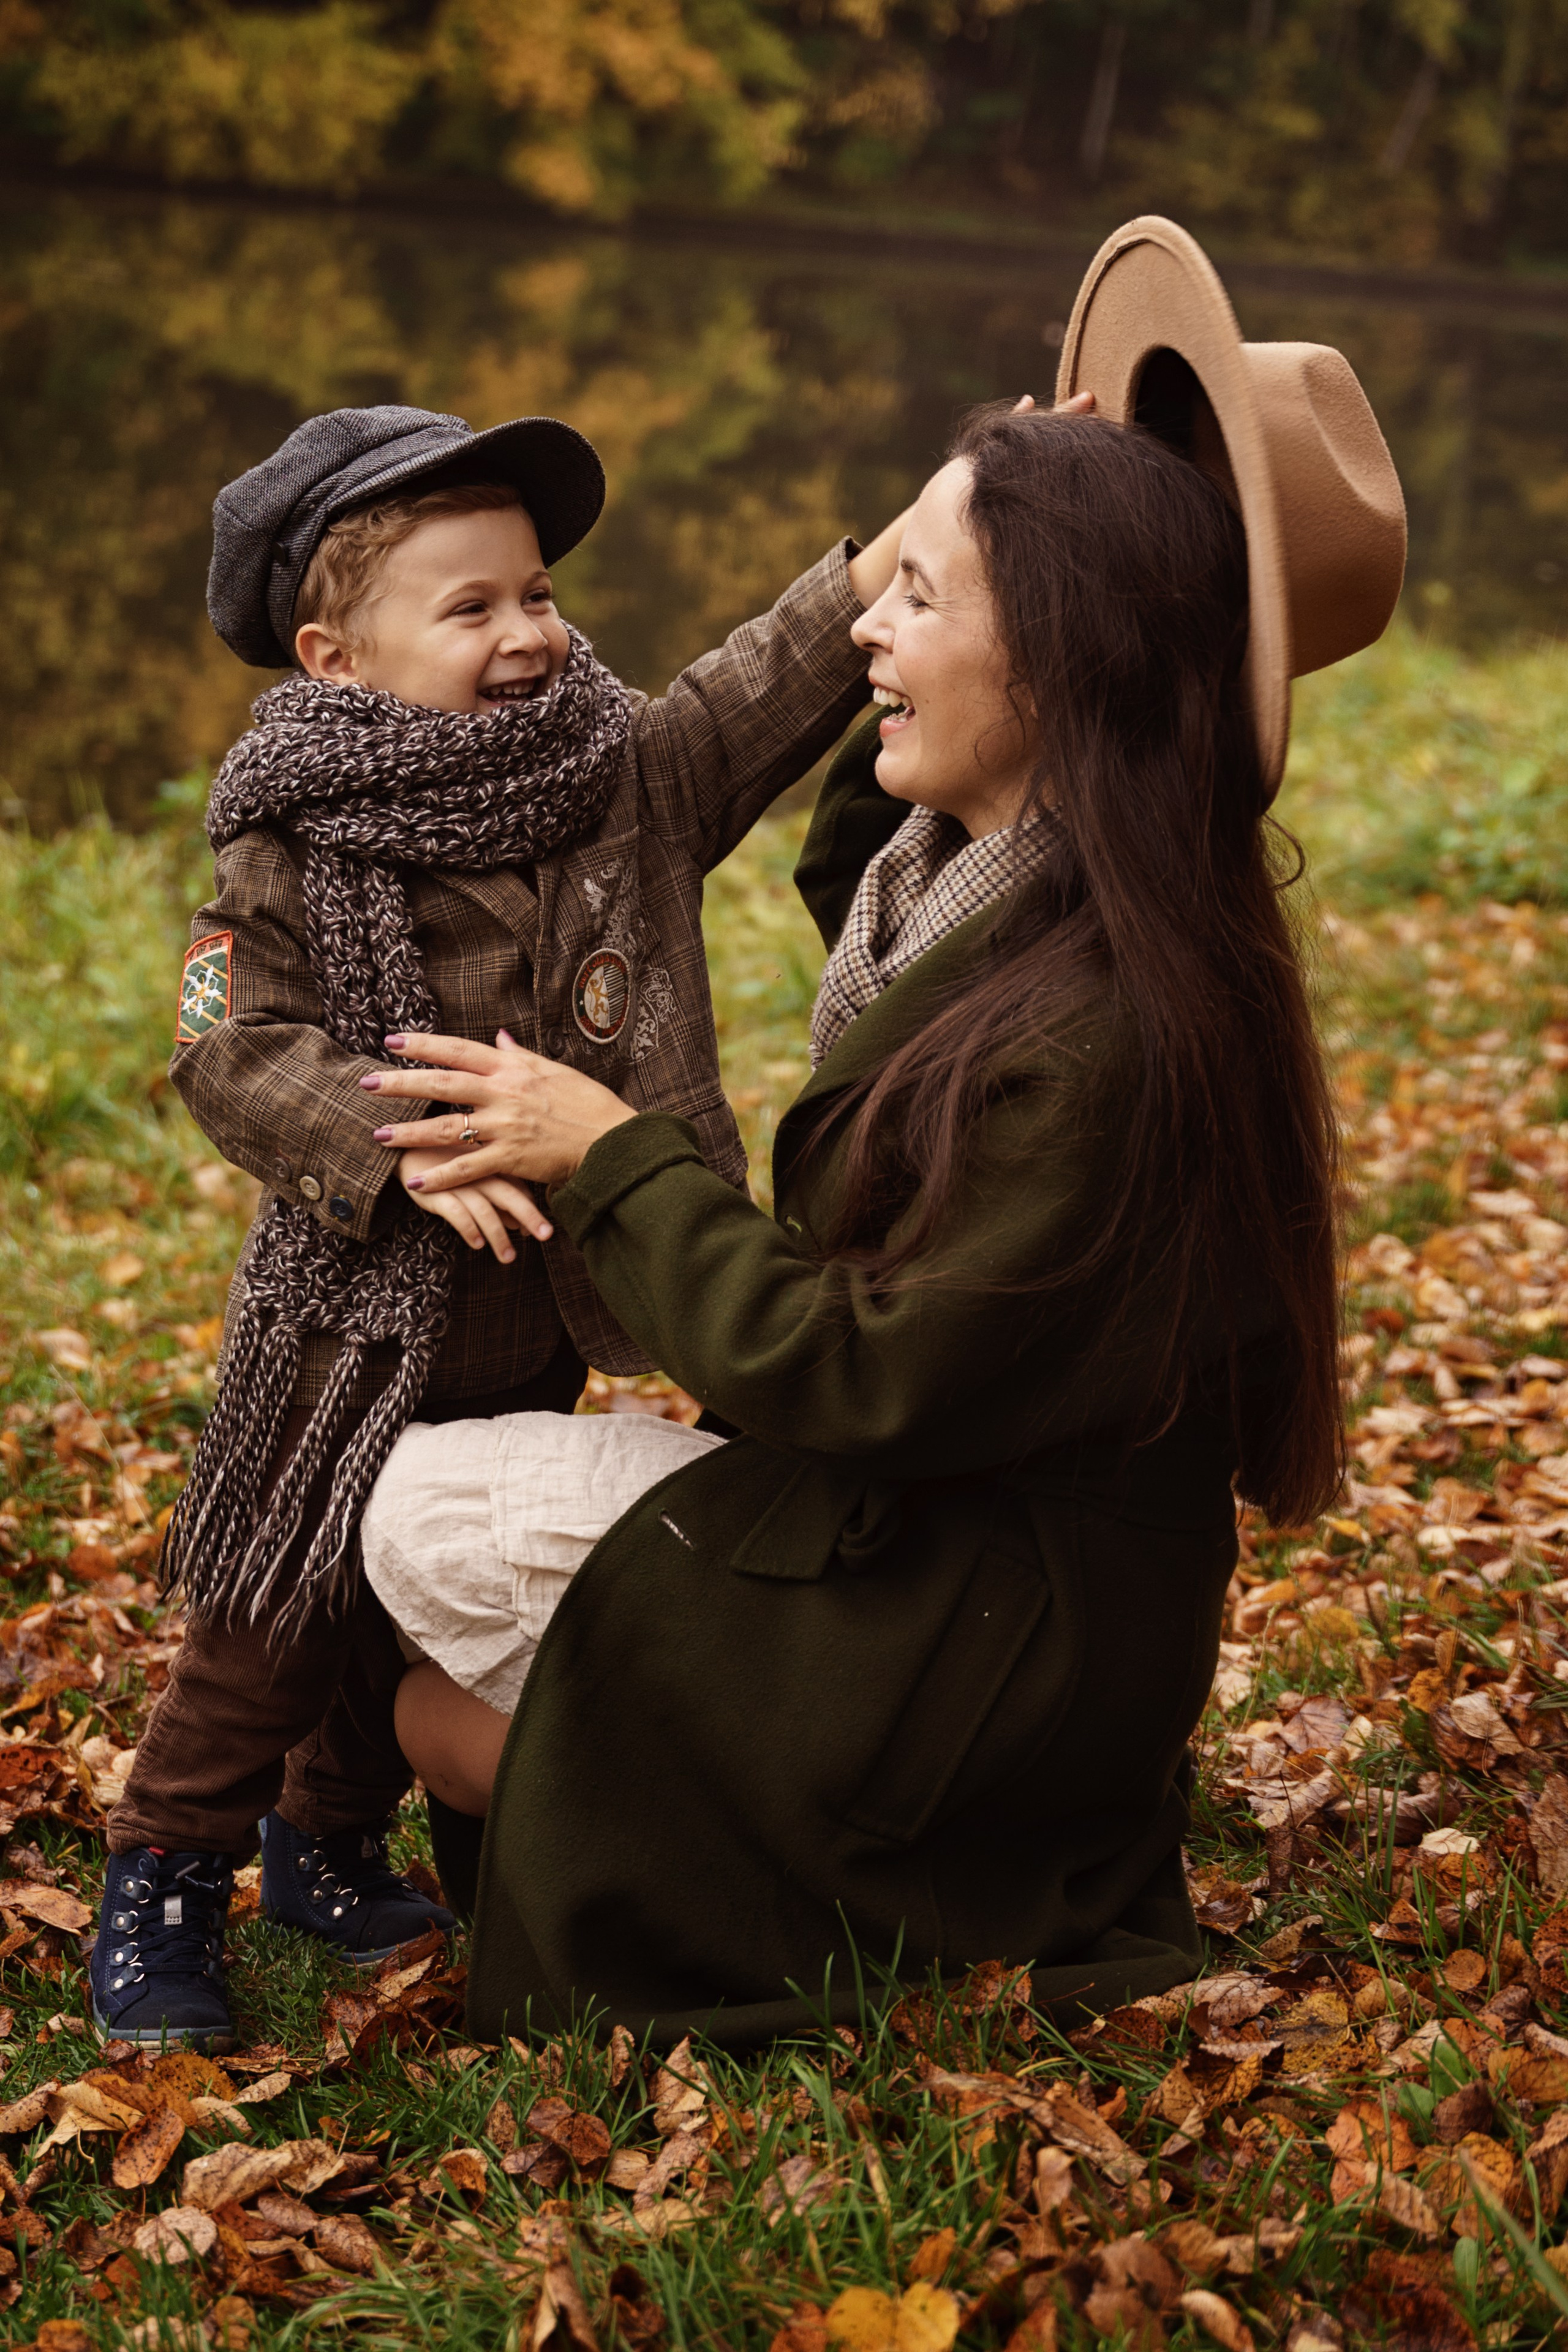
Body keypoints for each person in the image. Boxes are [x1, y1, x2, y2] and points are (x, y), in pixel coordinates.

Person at [358, 218, 1407, 2048]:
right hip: (978, 1558)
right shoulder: (1034, 881)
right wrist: (981, 513)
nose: (865, 631)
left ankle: (854, 1860)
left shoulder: (1109, 1024)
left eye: (918, 597)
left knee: (429, 1580)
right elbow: (863, 861)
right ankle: (760, 1803)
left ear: (1068, 650)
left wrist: (603, 1149)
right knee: (444, 1609)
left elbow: (865, 1378)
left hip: (989, 1632)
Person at [89, 398, 922, 2050]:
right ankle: (165, 1874)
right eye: (469, 608)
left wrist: (913, 542)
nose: (530, 632)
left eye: (535, 591)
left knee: (418, 1594)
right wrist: (396, 1148)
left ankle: (328, 1841)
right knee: (276, 1612)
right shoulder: (288, 834)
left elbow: (760, 684)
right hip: (357, 1313)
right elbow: (227, 1043)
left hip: (545, 1307)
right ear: (336, 654)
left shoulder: (624, 778)